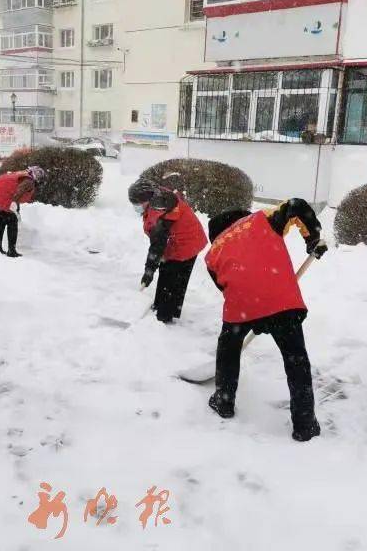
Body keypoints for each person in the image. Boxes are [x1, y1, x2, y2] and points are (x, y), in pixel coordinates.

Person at [204, 200, 328, 442]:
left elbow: (225, 286)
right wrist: (312, 238)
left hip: (241, 307)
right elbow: (297, 206)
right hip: (281, 302)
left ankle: (224, 400)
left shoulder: (212, 253)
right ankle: (305, 424)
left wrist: (253, 313)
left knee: (228, 349)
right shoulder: (261, 220)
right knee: (296, 360)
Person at [128, 179, 208, 324]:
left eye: (138, 204)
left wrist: (149, 271)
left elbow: (157, 246)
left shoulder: (158, 212)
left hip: (187, 243)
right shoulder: (158, 198)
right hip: (181, 239)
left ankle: (164, 315)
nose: (136, 207)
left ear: (147, 199)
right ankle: (159, 306)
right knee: (166, 271)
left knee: (173, 277)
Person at [0, 166, 45, 258]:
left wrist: (15, 205)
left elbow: (13, 188)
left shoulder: (21, 174)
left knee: (0, 221)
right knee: (12, 220)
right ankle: (12, 251)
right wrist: (13, 205)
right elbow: (18, 192)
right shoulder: (29, 181)